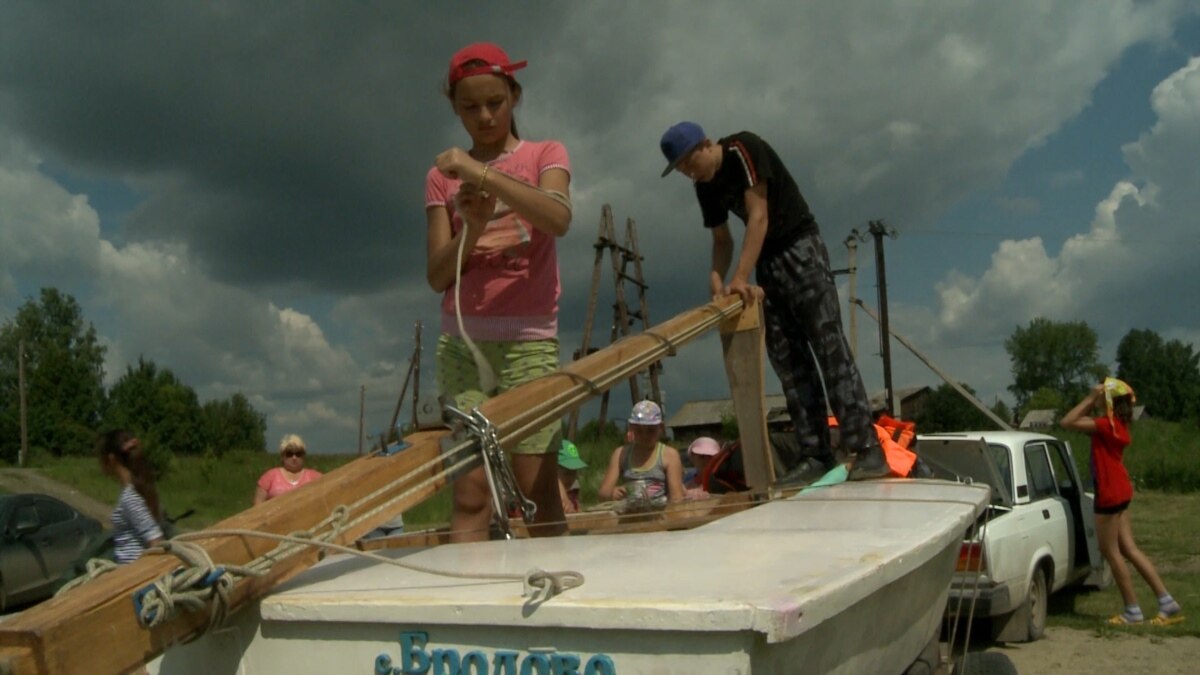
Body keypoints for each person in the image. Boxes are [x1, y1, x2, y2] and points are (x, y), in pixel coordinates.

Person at [658, 121, 888, 483]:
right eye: (681, 169)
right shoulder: (704, 188)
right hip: (765, 261)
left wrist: (739, 278)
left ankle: (866, 447)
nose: (688, 172)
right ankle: (815, 452)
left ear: (705, 145)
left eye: (689, 162)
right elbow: (722, 240)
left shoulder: (741, 150)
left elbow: (759, 216)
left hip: (799, 248)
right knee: (789, 361)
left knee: (829, 349)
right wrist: (717, 277)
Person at [425, 42, 572, 541]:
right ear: (455, 109)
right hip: (462, 345)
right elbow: (437, 275)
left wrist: (482, 173)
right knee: (470, 491)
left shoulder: (543, 155)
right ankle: (469, 604)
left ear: (514, 96)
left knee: (536, 487)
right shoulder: (441, 178)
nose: (485, 116)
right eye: (470, 107)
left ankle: (561, 604)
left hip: (529, 341)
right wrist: (473, 223)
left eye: (495, 102)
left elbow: (558, 217)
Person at [1060, 378, 1184, 626]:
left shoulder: (1105, 425)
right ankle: (1166, 602)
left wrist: (1089, 399)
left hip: (1108, 492)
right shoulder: (1118, 425)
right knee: (1129, 549)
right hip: (1121, 489)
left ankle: (1132, 609)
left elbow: (1067, 421)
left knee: (1110, 551)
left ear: (1108, 401)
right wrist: (1099, 400)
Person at [598, 401, 685, 510]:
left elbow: (676, 498)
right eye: (639, 430)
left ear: (661, 428)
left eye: (651, 430)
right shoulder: (621, 453)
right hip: (629, 515)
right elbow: (603, 494)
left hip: (659, 515)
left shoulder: (669, 455)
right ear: (631, 428)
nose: (645, 435)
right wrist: (612, 493)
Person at [98, 430, 164, 564]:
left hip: (133, 571)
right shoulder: (139, 489)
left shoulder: (130, 497)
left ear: (111, 459)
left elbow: (155, 541)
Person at [254, 434, 323, 505]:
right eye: (289, 454)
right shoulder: (269, 477)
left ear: (303, 455)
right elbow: (257, 506)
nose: (294, 457)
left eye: (298, 454)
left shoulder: (315, 477)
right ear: (282, 456)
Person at [557, 438, 587, 514]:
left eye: (574, 473)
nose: (571, 478)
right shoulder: (546, 496)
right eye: (567, 473)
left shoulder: (573, 494)